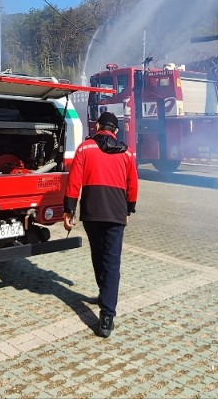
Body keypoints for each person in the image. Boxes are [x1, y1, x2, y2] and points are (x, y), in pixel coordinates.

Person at [63, 111, 138, 338]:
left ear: (97, 127)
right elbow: (133, 184)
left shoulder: (85, 148)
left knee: (97, 254)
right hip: (116, 213)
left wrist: (69, 210)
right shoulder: (126, 153)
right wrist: (129, 208)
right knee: (112, 261)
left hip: (92, 212)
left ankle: (104, 295)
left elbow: (74, 180)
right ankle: (107, 315)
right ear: (115, 130)